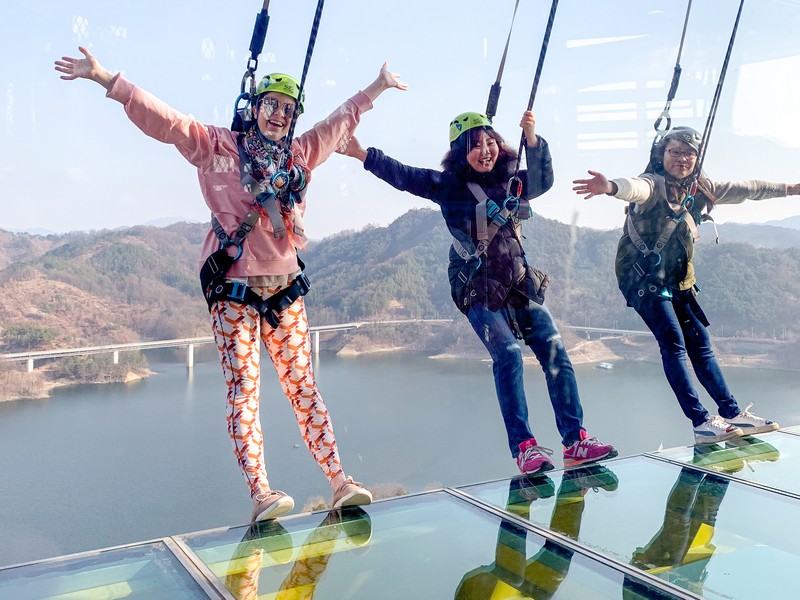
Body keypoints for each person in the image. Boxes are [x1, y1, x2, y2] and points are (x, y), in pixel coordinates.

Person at [55, 46, 407, 522]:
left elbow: (336, 123)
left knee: (303, 385)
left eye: (288, 108)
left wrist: (377, 87)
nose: (280, 115)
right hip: (234, 290)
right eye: (272, 105)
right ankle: (261, 491)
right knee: (245, 388)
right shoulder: (219, 147)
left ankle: (339, 480)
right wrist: (106, 80)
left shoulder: (298, 155)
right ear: (254, 107)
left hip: (284, 287)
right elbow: (169, 122)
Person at [341, 111, 616, 475]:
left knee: (555, 351)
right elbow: (406, 177)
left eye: (489, 142)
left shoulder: (510, 180)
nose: (485, 151)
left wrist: (532, 140)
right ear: (459, 153)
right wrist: (364, 155)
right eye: (474, 146)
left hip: (517, 279)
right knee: (509, 355)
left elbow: (543, 180)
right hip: (476, 285)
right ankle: (524, 447)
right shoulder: (449, 186)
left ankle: (575, 440)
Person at [573, 126, 800, 444]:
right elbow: (634, 188)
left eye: (689, 153)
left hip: (679, 277)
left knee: (702, 345)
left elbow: (749, 188)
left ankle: (731, 412)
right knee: (674, 343)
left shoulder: (703, 187)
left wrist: (792, 189)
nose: (682, 159)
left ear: (698, 157)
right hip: (641, 276)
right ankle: (700, 421)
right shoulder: (654, 184)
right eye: (674, 152)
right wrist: (610, 186)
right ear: (661, 154)